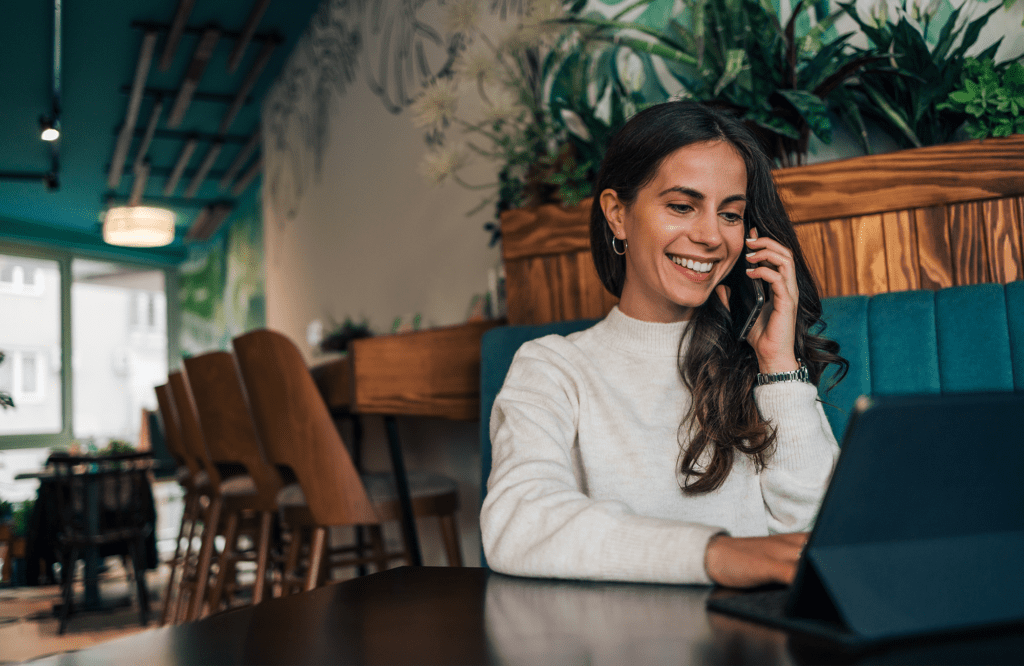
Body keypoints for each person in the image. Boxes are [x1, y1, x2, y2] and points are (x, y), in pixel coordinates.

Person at [480, 101, 848, 588]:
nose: (711, 236)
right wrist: (717, 555)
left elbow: (822, 539)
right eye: (681, 206)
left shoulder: (759, 365)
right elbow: (519, 520)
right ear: (617, 214)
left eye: (731, 214)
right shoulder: (553, 367)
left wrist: (779, 365)